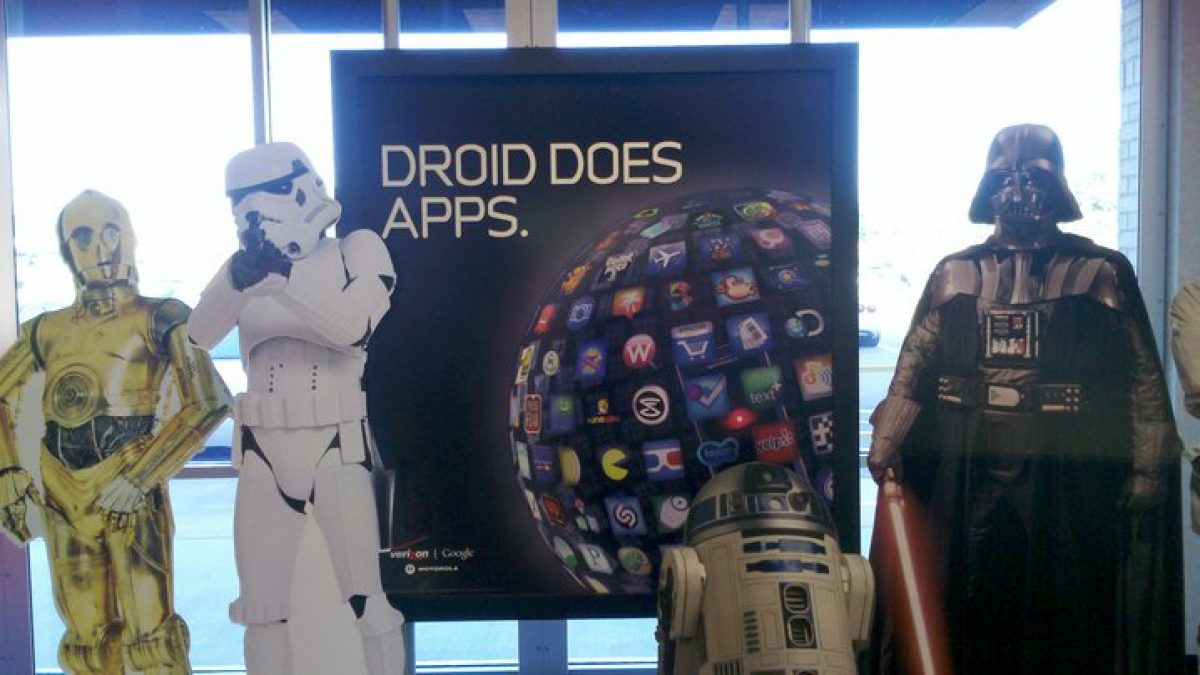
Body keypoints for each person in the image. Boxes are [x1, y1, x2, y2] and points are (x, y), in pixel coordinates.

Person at [867, 124, 1184, 674]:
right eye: (1005, 178)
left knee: (1065, 592)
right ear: (987, 187)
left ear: (1057, 185)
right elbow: (915, 359)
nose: (1017, 191)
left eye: (1032, 177)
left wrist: (1147, 465)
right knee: (964, 587)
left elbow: (1141, 374)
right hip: (968, 456)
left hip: (1065, 462)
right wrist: (889, 437)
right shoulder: (956, 271)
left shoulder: (1100, 272)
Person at [187, 142, 406, 674]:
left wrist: (283, 282)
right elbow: (199, 334)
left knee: (368, 604)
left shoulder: (357, 250)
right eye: (240, 201)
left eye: (263, 195)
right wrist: (238, 280)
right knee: (261, 611)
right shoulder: (245, 269)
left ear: (301, 189)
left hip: (335, 445)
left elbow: (354, 328)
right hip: (262, 451)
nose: (251, 211)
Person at [0, 190, 231, 674]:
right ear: (68, 251)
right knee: (86, 644)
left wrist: (139, 477)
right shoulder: (46, 329)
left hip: (131, 486)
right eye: (83, 238)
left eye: (111, 232)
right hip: (62, 492)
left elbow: (209, 401)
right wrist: (8, 473)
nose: (102, 248)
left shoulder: (161, 316)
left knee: (153, 642)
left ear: (129, 237)